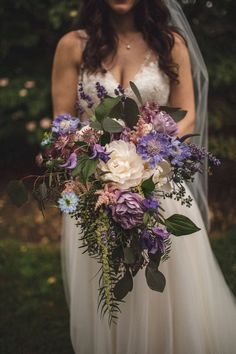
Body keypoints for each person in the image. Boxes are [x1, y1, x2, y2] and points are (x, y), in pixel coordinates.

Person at [51, 1, 236, 353]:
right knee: (107, 285)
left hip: (158, 186)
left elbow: (188, 118)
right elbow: (63, 122)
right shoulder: (73, 45)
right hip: (95, 190)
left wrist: (144, 162)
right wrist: (93, 164)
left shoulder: (170, 43)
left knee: (166, 287)